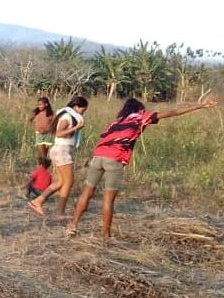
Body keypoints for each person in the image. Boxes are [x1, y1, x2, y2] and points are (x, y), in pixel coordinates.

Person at [66, 95, 217, 239]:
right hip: (115, 159)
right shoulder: (140, 117)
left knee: (86, 193)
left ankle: (73, 225)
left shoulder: (115, 121)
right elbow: (172, 112)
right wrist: (200, 105)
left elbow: (104, 136)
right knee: (108, 199)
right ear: (139, 109)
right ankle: (105, 235)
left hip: (98, 156)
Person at [28, 95, 88, 219]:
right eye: (83, 110)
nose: (83, 113)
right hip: (62, 151)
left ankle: (38, 201)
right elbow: (59, 133)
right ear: (76, 107)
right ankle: (60, 213)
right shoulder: (67, 117)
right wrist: (76, 127)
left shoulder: (67, 115)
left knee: (61, 182)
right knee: (68, 182)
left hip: (59, 150)